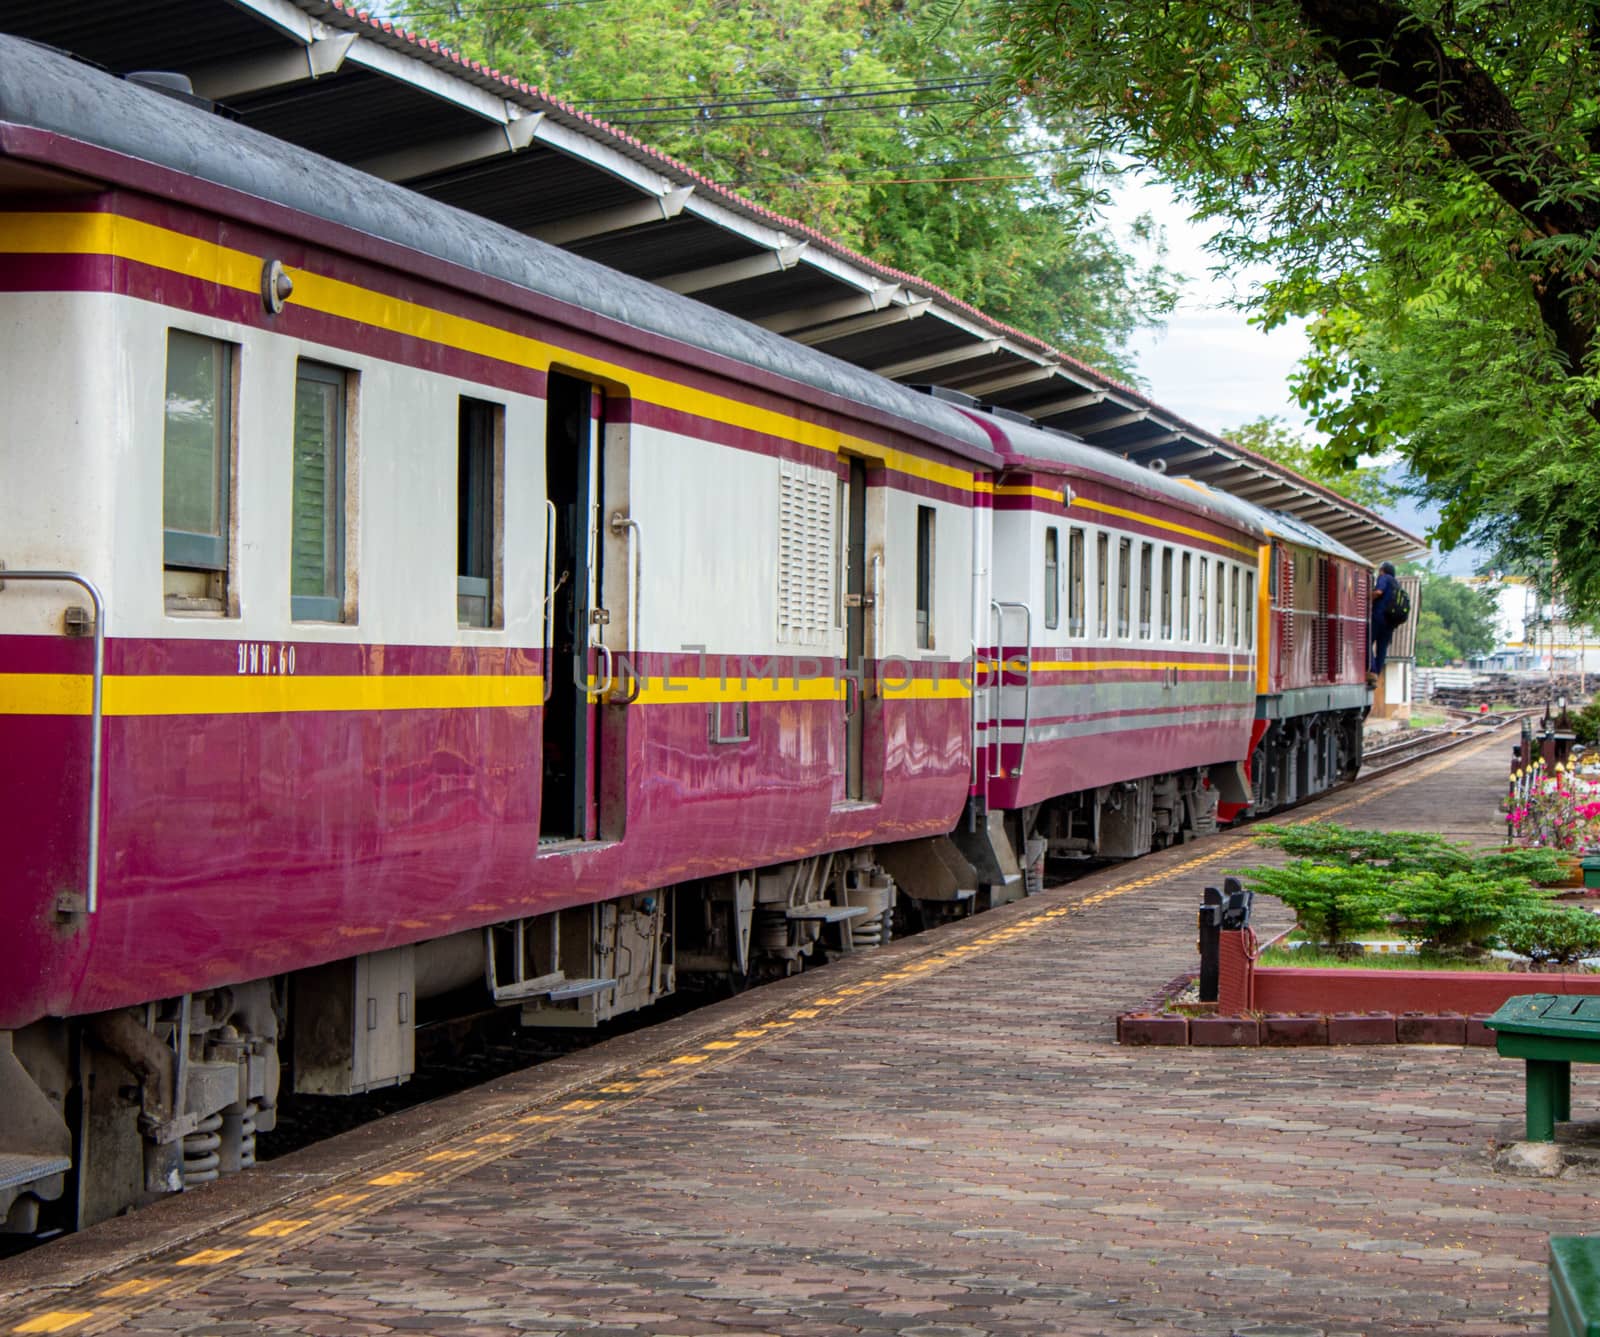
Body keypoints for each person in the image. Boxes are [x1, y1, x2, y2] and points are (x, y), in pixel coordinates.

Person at [1369, 560, 1399, 686]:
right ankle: (1376, 675)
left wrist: (1366, 596)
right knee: (1382, 649)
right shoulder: (1396, 584)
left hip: (1379, 617)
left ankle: (1372, 671)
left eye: (1380, 569)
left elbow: (1378, 592)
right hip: (1390, 622)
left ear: (1383, 570)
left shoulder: (1384, 578)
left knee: (1366, 642)